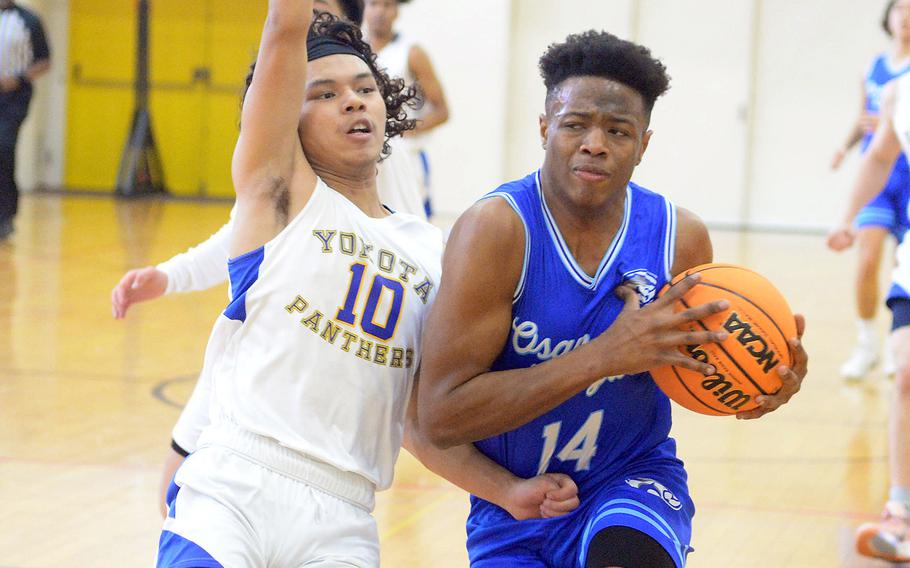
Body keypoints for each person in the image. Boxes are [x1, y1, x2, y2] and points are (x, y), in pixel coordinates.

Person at [155, 6, 577, 567]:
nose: (351, 100)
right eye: (323, 94)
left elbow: (416, 421)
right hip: (235, 484)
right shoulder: (279, 196)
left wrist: (505, 490)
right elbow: (283, 28)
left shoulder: (434, 254)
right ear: (288, 117)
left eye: (362, 88)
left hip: (344, 516)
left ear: (385, 103)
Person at [417, 30, 809, 567]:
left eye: (618, 130)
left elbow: (706, 362)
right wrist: (605, 355)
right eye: (575, 124)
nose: (594, 143)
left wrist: (756, 383)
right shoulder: (495, 232)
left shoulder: (679, 239)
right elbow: (442, 417)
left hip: (632, 480)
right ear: (544, 128)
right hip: (515, 502)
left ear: (643, 144)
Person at [109, 0, 425, 517]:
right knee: (176, 487)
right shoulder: (281, 159)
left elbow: (411, 257)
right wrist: (171, 275)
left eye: (319, 14)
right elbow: (247, 232)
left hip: (334, 401)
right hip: (261, 360)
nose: (304, 24)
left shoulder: (381, 160)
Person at [828, 66, 910, 565]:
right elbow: (879, 157)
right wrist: (846, 217)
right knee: (905, 375)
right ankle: (899, 513)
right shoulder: (900, 90)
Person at [830, 0, 910, 380]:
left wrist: (888, 121)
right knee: (867, 260)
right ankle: (866, 344)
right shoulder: (874, 68)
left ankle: (900, 342)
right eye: (900, 9)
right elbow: (863, 119)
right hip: (879, 174)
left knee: (902, 266)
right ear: (889, 17)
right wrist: (843, 148)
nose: (906, 16)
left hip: (905, 172)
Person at [363, 0, 449, 218]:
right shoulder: (352, 50)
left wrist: (404, 129)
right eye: (374, 4)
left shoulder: (411, 52)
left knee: (412, 225)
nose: (380, 12)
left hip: (405, 155)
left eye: (387, 5)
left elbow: (442, 111)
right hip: (365, 155)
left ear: (397, 11)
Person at [0, 0, 50, 240]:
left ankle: (6, 215)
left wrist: (18, 79)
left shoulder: (28, 20)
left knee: (3, 147)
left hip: (13, 97)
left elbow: (44, 60)